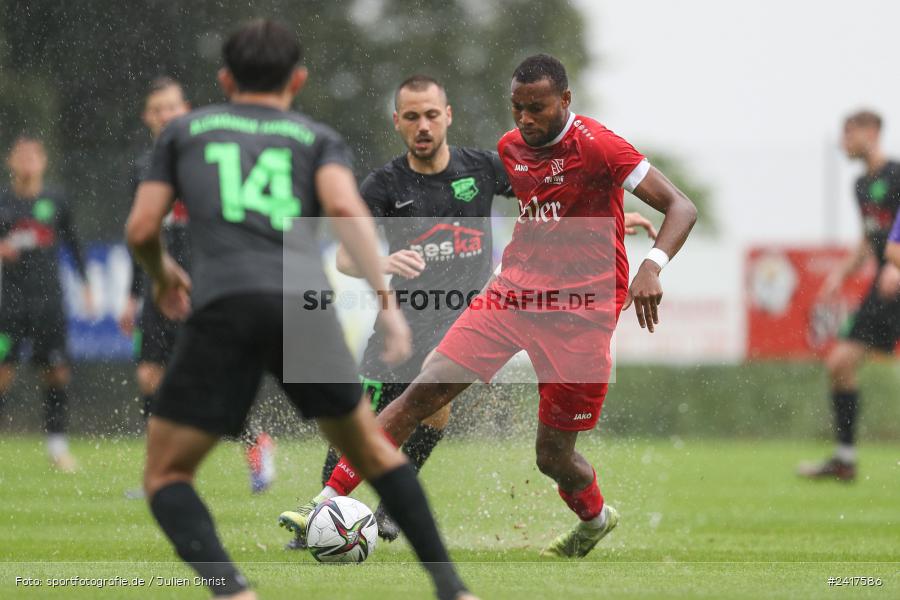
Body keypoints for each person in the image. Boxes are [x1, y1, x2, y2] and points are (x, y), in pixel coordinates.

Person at [281, 53, 696, 559]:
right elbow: (549, 206)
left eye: (537, 108)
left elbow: (681, 205)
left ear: (565, 101)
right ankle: (323, 505)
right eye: (517, 107)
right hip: (512, 296)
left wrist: (651, 265)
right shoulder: (511, 148)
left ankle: (594, 517)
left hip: (580, 318)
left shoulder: (599, 145)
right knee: (420, 394)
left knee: (553, 457)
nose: (524, 119)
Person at [128, 19, 475, 599]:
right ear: (298, 79)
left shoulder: (185, 132)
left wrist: (164, 277)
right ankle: (452, 589)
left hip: (224, 309)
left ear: (224, 78)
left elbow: (142, 227)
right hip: (299, 307)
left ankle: (233, 590)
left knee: (166, 474)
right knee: (374, 452)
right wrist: (388, 306)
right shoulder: (313, 137)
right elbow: (346, 211)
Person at [119, 77, 275, 495]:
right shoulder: (141, 169)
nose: (166, 115)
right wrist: (131, 297)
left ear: (185, 109)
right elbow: (140, 236)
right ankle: (158, 474)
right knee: (150, 376)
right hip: (159, 287)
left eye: (172, 107)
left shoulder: (211, 156)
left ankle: (256, 443)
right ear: (147, 118)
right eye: (158, 109)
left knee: (215, 380)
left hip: (207, 285)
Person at [797, 110, 900, 481]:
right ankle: (844, 459)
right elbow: (869, 240)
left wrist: (896, 264)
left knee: (841, 363)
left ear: (872, 132)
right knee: (840, 364)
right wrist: (840, 273)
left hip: (895, 280)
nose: (843, 142)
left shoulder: (896, 174)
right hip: (884, 287)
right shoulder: (860, 185)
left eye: (849, 133)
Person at [0, 135, 92, 472]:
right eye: (20, 156)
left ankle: (57, 449)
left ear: (43, 161)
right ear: (11, 161)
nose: (27, 162)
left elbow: (75, 243)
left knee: (55, 373)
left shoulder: (56, 200)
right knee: (2, 373)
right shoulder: (3, 201)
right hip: (8, 305)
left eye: (33, 156)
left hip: (48, 303)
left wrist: (86, 285)